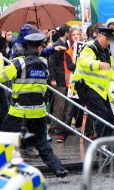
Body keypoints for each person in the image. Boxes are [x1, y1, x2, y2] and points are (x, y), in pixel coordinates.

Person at [0, 33, 68, 177]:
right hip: (38, 112)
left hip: (19, 112)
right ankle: (58, 168)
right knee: (42, 142)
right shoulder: (43, 63)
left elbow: (1, 76)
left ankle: (7, 172)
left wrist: (0, 61)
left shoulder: (19, 63)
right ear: (39, 47)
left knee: (5, 140)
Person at [71, 27, 114, 137]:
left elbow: (109, 71)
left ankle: (108, 145)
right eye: (107, 39)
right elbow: (83, 61)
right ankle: (103, 145)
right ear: (99, 36)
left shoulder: (107, 51)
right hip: (84, 85)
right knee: (102, 114)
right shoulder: (90, 47)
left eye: (110, 40)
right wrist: (98, 64)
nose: (108, 42)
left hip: (98, 89)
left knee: (109, 115)